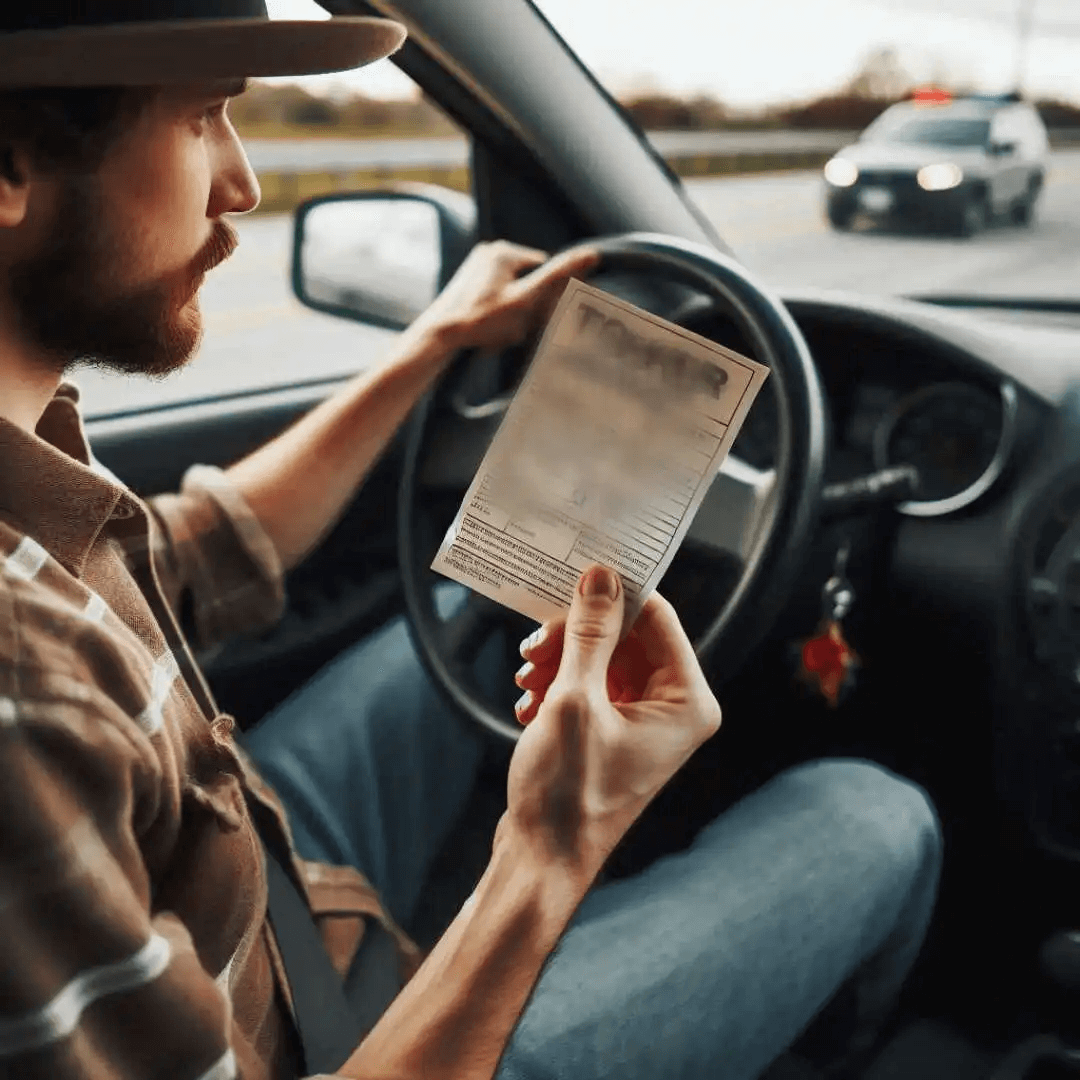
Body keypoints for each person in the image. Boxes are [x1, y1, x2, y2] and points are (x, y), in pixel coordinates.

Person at [0, 4, 943, 1080]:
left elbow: (200, 551)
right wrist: (549, 849)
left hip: (249, 895)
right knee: (872, 813)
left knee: (463, 620)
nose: (244, 183)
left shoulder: (31, 471)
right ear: (9, 165)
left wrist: (434, 342)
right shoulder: (22, 693)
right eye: (207, 117)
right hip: (339, 1049)